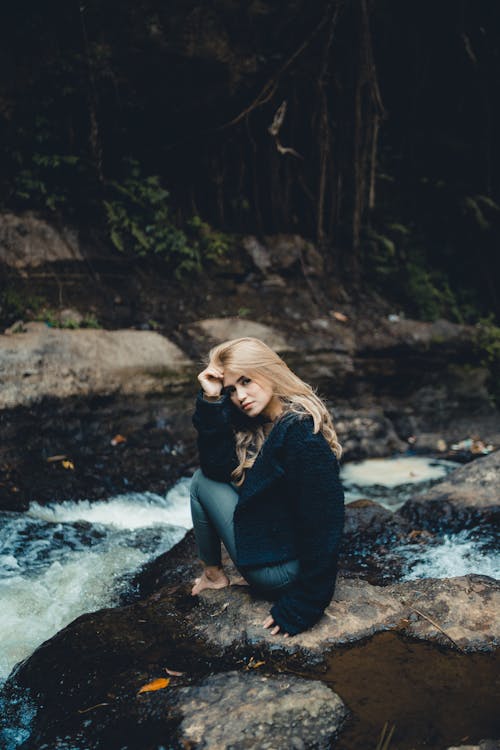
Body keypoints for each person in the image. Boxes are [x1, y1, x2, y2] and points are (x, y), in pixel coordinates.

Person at [190, 337, 344, 637]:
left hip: (282, 573)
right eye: (232, 390)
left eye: (246, 381)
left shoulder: (300, 433)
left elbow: (325, 523)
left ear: (268, 371)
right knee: (206, 477)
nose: (240, 396)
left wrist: (304, 605)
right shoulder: (263, 422)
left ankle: (213, 574)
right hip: (279, 552)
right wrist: (212, 399)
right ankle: (213, 574)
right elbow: (217, 467)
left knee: (200, 483)